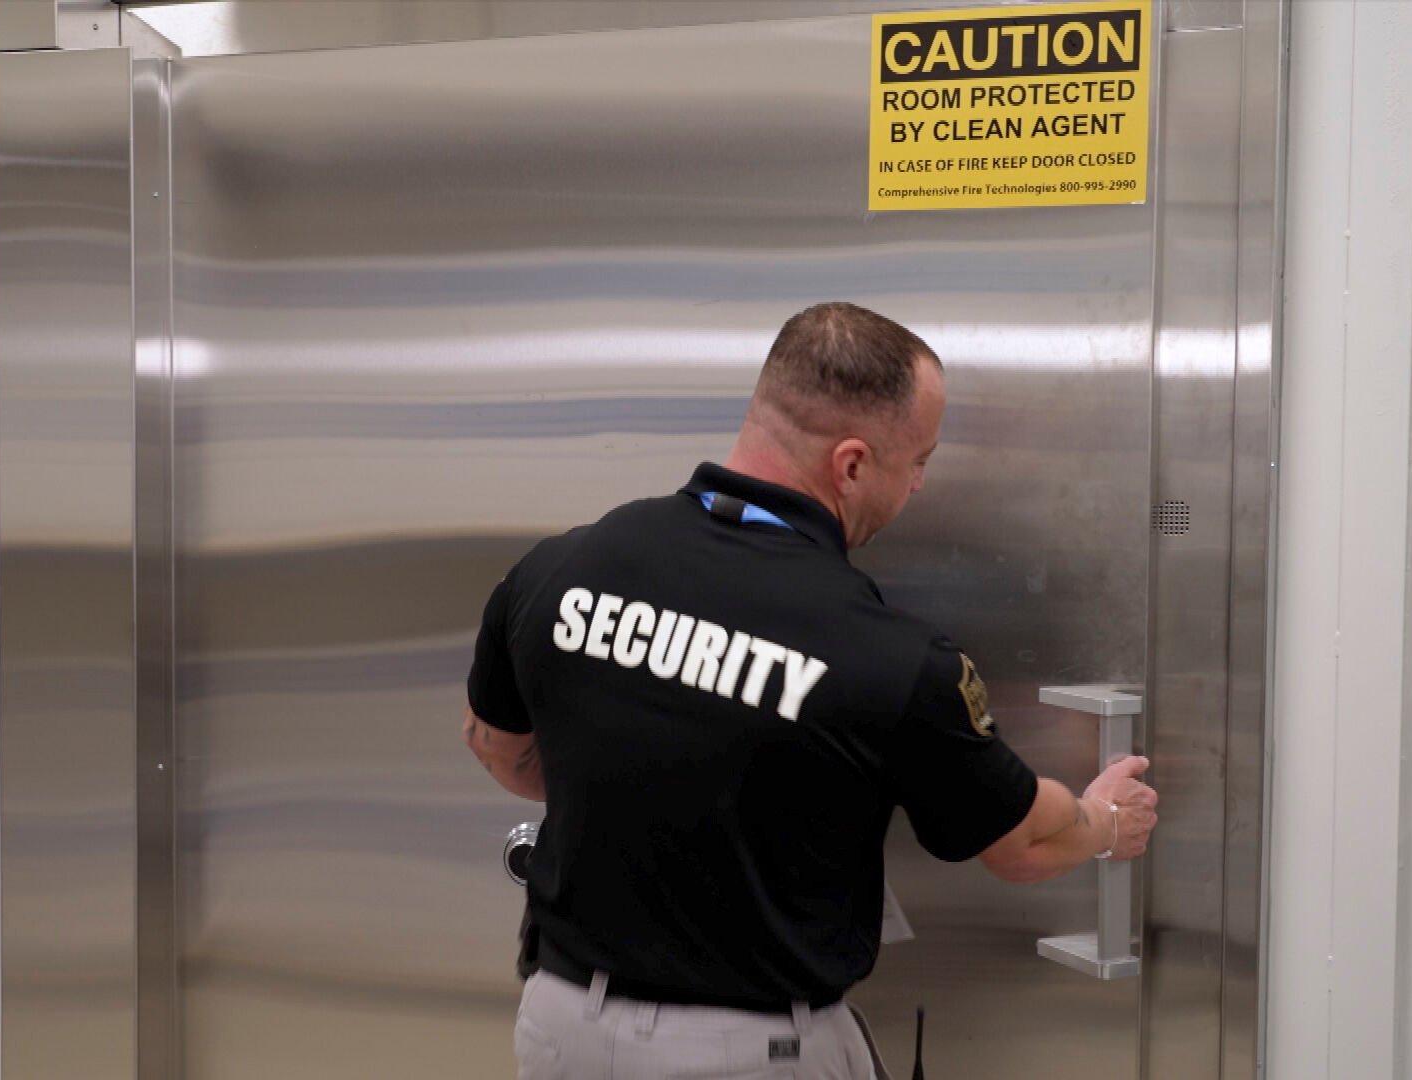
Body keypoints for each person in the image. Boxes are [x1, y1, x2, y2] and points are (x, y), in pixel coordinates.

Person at [464, 302, 1159, 1079]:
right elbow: (1023, 844)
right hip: (746, 1056)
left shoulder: (559, 569)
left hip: (562, 1031)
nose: (919, 484)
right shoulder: (889, 657)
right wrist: (1105, 820)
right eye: (917, 460)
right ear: (852, 465)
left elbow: (505, 750)